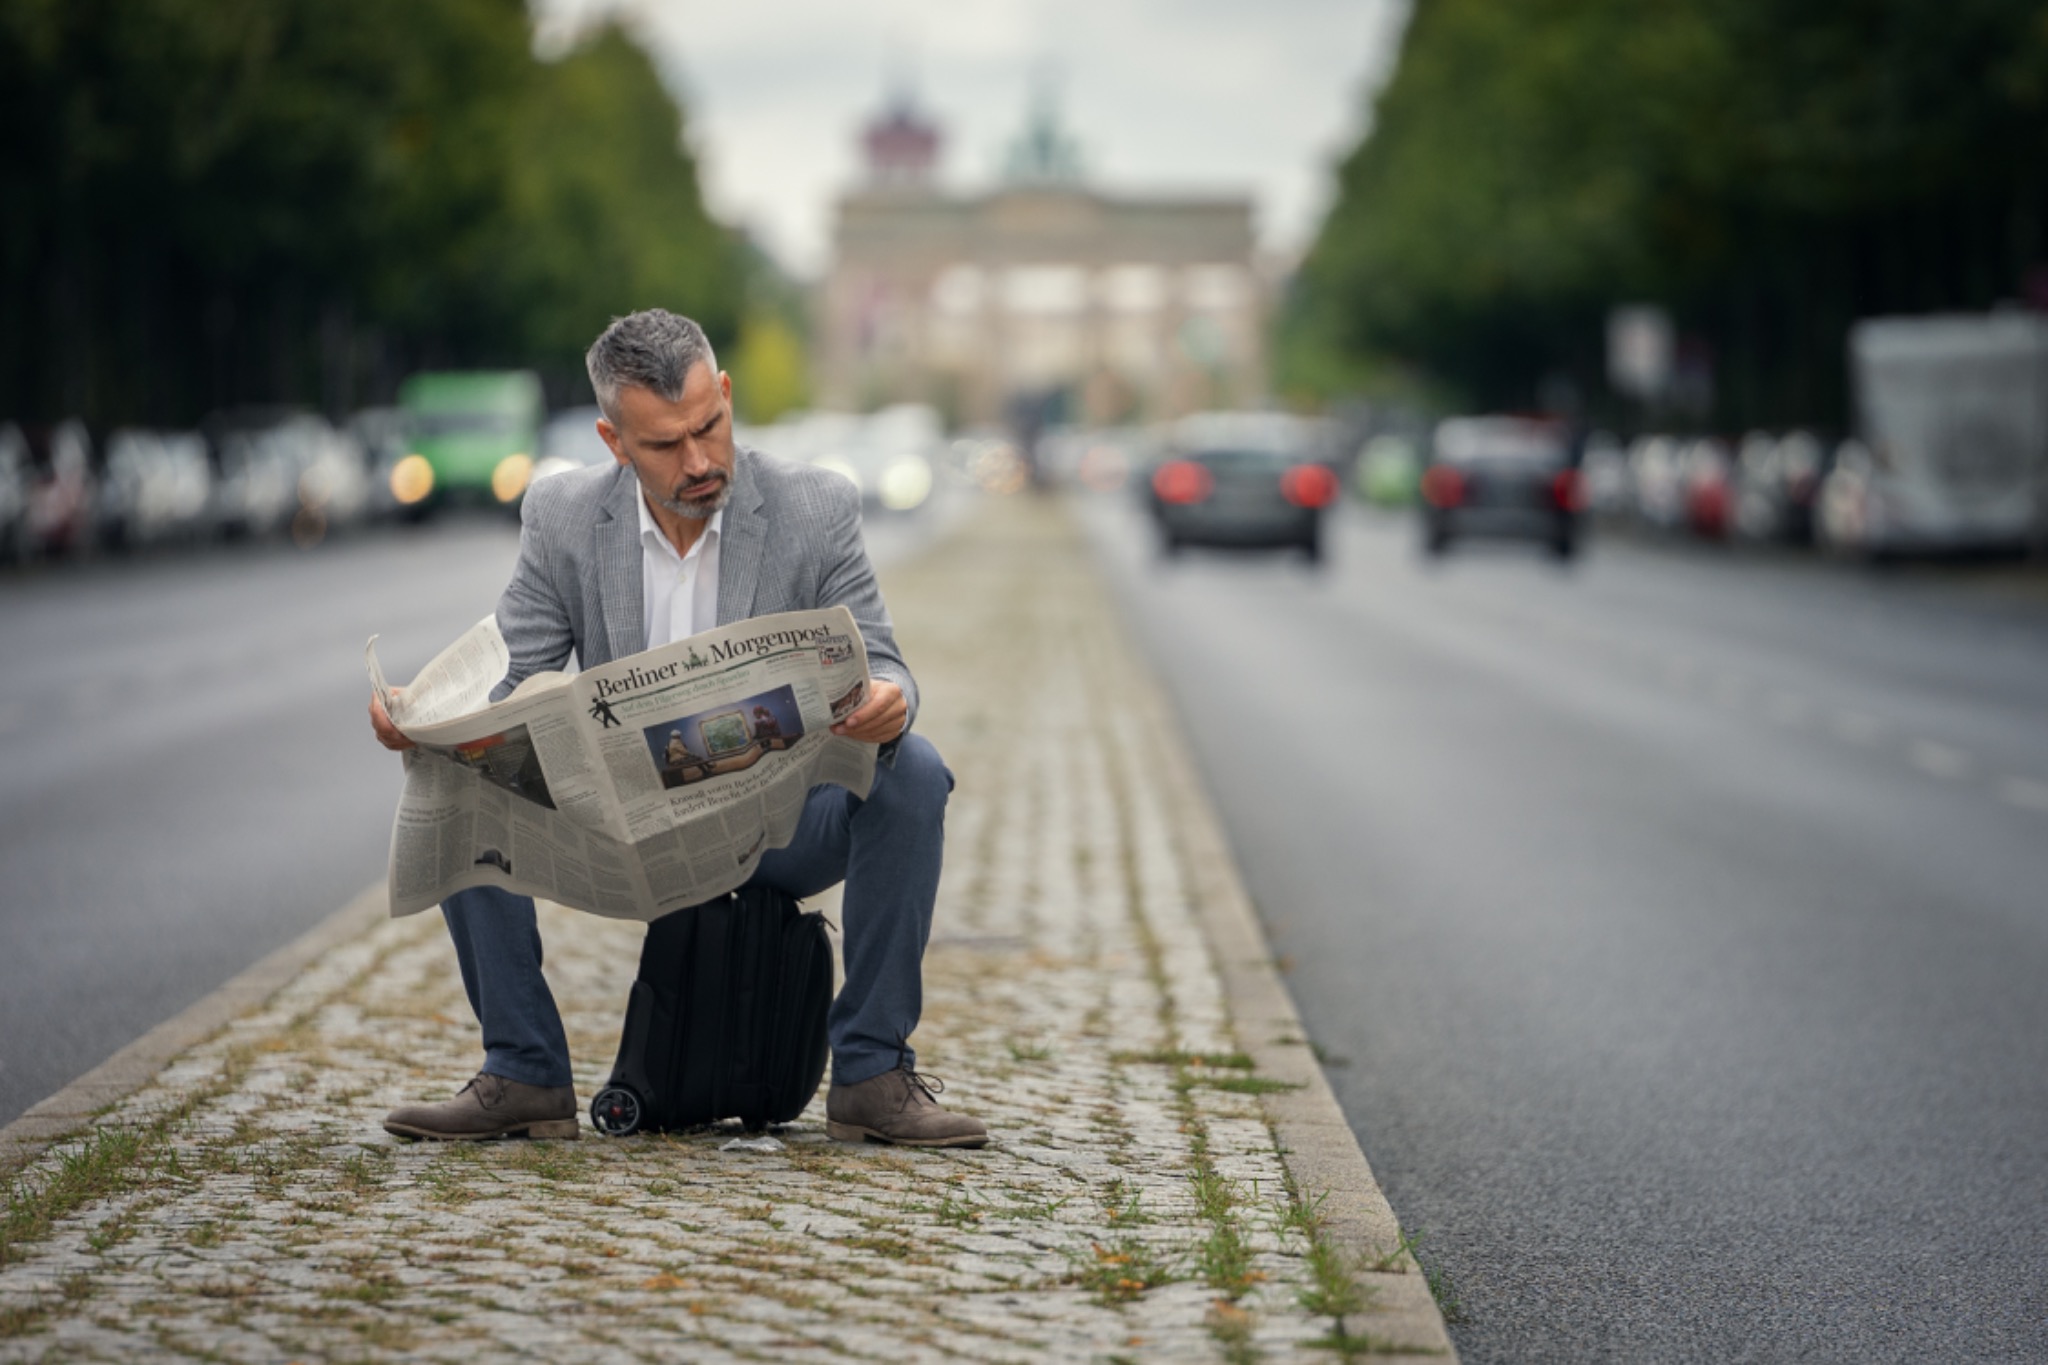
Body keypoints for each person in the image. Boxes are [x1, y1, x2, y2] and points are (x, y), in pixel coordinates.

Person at [370, 309, 985, 1149]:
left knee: (913, 768)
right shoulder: (562, 515)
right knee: (462, 766)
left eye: (710, 427)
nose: (698, 461)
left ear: (725, 394)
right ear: (613, 440)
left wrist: (889, 699)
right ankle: (524, 1070)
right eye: (664, 445)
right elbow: (512, 680)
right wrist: (433, 721)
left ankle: (873, 1072)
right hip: (619, 831)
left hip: (776, 827)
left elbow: (887, 661)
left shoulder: (816, 507)